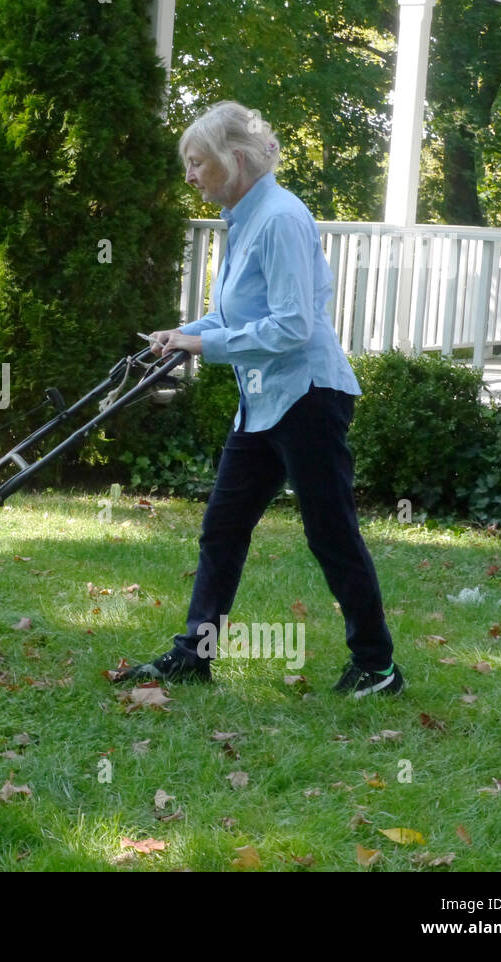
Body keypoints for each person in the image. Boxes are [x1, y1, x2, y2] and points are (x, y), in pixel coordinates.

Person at [113, 101, 402, 697]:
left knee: (331, 532)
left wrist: (201, 346)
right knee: (222, 528)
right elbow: (233, 315)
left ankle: (377, 667)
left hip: (308, 397)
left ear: (234, 160)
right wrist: (183, 333)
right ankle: (195, 653)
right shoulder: (244, 219)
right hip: (264, 401)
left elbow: (293, 326)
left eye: (197, 163)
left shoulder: (280, 219)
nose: (189, 175)